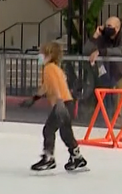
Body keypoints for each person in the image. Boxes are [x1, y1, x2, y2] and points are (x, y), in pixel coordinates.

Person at [22, 41, 88, 172]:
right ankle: (77, 157)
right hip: (68, 103)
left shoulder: (49, 68)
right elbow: (46, 87)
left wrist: (58, 102)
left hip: (61, 103)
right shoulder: (56, 69)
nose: (39, 55)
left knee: (49, 129)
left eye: (41, 53)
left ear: (49, 54)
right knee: (66, 133)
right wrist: (34, 98)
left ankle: (48, 157)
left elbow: (56, 88)